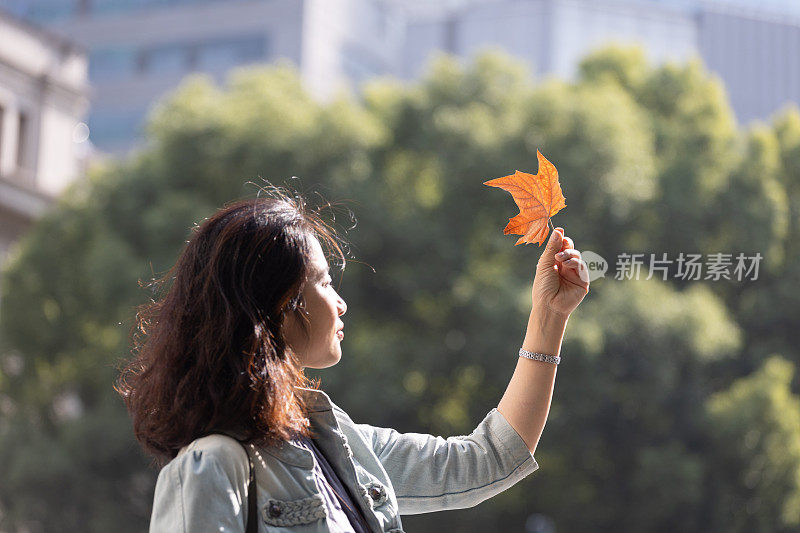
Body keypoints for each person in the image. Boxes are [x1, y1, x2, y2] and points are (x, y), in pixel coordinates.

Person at [116, 187, 589, 532]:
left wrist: (549, 317)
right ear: (279, 303)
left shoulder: (344, 446)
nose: (340, 303)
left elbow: (486, 460)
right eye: (323, 282)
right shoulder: (211, 466)